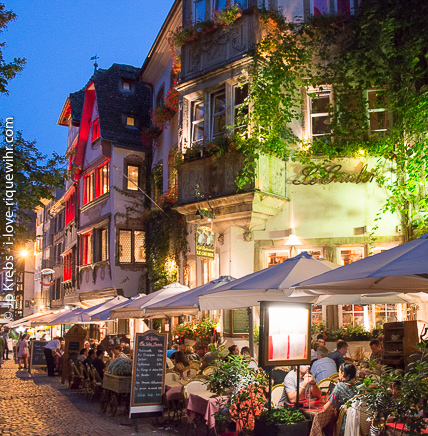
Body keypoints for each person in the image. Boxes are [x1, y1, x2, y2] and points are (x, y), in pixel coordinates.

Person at [309, 363, 357, 436]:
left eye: (339, 372)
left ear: (343, 374)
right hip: (355, 423)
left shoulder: (340, 387)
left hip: (343, 424)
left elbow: (326, 408)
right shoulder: (357, 387)